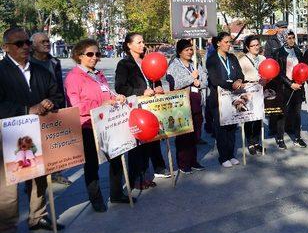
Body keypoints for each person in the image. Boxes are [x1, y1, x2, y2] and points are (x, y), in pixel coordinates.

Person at [0, 28, 65, 233]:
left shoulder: (40, 70)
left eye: (27, 42)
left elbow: (56, 94)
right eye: (19, 44)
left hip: (38, 131)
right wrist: (28, 109)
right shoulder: (1, 71)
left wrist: (49, 103)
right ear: (6, 47)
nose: (26, 47)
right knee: (9, 183)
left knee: (39, 176)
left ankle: (37, 216)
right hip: (9, 134)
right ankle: (7, 227)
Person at [64, 39, 133, 212]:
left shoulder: (98, 74)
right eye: (89, 54)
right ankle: (96, 199)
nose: (94, 57)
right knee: (92, 164)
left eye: (97, 54)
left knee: (116, 157)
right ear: (79, 56)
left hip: (106, 124)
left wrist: (117, 97)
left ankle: (117, 194)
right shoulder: (73, 77)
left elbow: (107, 93)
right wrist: (101, 105)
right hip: (87, 126)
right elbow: (76, 107)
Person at [115, 33, 170, 189]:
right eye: (138, 42)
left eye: (143, 42)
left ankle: (145, 175)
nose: (142, 45)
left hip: (151, 107)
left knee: (150, 142)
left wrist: (158, 87)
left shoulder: (147, 61)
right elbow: (120, 87)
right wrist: (141, 91)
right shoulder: (124, 64)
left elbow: (154, 77)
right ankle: (135, 180)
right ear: (128, 45)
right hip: (136, 109)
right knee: (137, 146)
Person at [30, 32, 73, 186]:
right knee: (36, 145)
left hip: (54, 106)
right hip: (35, 109)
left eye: (48, 41)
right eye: (43, 42)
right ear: (33, 45)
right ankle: (34, 180)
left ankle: (56, 173)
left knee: (55, 144)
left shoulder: (54, 61)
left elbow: (59, 86)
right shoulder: (28, 62)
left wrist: (62, 106)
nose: (47, 44)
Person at [166, 39, 207, 173]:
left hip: (196, 103)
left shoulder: (194, 64)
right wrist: (191, 78)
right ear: (179, 52)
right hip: (182, 106)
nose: (190, 52)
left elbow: (205, 80)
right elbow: (175, 84)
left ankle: (193, 160)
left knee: (195, 134)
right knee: (184, 136)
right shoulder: (174, 66)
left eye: (191, 49)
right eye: (186, 50)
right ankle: (183, 164)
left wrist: (199, 83)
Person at [206, 32, 245, 167]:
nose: (229, 45)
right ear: (218, 43)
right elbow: (214, 79)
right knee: (221, 128)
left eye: (230, 42)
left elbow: (240, 73)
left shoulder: (232, 57)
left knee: (232, 126)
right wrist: (231, 84)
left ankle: (231, 154)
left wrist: (239, 80)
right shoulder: (212, 59)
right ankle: (223, 157)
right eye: (226, 42)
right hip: (218, 98)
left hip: (233, 97)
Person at [273, 30, 307, 149]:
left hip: (298, 87)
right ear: (283, 39)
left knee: (297, 114)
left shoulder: (297, 51)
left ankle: (297, 138)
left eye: (293, 37)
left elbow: (302, 68)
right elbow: (278, 72)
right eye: (289, 38)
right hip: (284, 88)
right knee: (283, 114)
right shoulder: (278, 53)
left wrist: (299, 82)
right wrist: (289, 83)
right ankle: (280, 138)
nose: (292, 40)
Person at [238, 35, 265, 155]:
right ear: (248, 48)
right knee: (249, 117)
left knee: (259, 117)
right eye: (252, 46)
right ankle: (250, 142)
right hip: (248, 90)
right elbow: (239, 76)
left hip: (260, 89)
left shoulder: (263, 58)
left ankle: (257, 141)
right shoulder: (243, 60)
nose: (255, 47)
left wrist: (266, 80)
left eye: (257, 45)